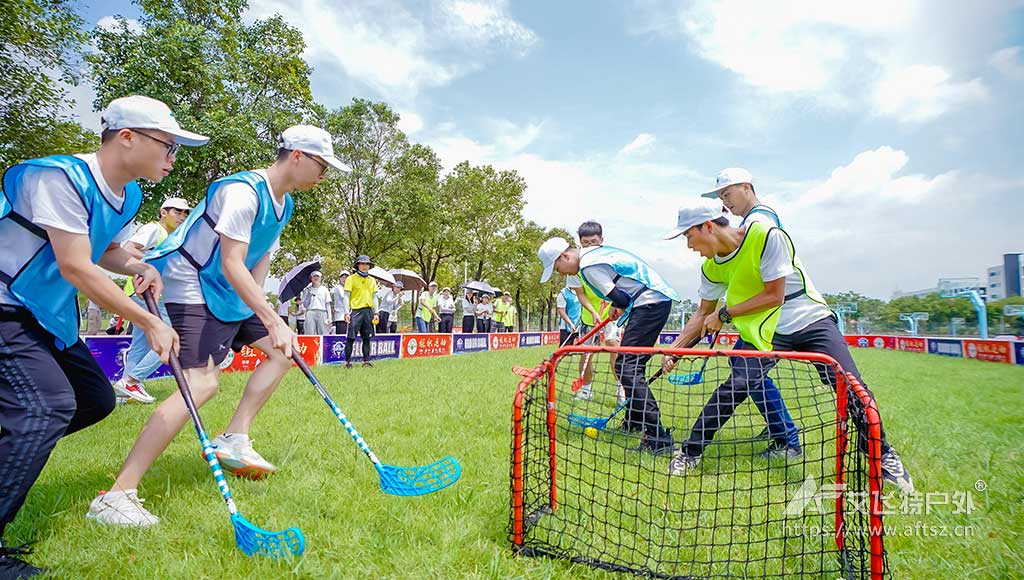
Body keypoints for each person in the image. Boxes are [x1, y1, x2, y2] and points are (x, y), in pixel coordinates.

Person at [89, 124, 348, 528]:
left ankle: (233, 438)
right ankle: (117, 494)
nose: (324, 175)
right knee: (202, 384)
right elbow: (229, 261)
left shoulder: (285, 205)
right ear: (297, 155)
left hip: (226, 289)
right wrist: (269, 317)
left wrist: (261, 313)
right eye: (322, 165)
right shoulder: (242, 192)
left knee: (283, 353)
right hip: (188, 280)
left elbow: (256, 259)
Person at [0, 95, 198, 575]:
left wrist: (139, 265)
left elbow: (104, 250)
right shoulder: (58, 177)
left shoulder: (128, 194)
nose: (172, 158)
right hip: (6, 305)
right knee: (44, 407)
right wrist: (150, 320)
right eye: (167, 146)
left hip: (45, 314)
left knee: (94, 399)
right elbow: (74, 265)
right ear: (126, 137)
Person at [661, 202, 914, 494]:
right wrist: (677, 351)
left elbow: (774, 295)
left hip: (810, 320)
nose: (689, 246)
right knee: (736, 386)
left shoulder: (766, 235)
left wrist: (725, 314)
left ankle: (883, 454)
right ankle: (690, 453)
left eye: (688, 237)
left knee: (852, 386)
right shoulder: (710, 268)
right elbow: (701, 314)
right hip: (767, 331)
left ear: (707, 226)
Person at [538, 236, 680, 455]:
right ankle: (633, 422)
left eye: (558, 267)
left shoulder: (588, 267)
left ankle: (657, 437)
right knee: (632, 366)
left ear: (565, 256)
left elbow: (622, 299)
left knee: (626, 367)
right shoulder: (594, 254)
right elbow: (621, 292)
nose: (561, 273)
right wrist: (617, 304)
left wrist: (618, 304)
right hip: (653, 300)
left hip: (650, 303)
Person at [113, 197, 192, 404]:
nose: (182, 216)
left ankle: (124, 393)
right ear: (163, 212)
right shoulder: (154, 230)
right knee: (173, 339)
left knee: (140, 344)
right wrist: (152, 262)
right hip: (146, 294)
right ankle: (132, 380)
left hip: (149, 294)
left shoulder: (172, 236)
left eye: (185, 213)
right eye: (177, 211)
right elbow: (128, 248)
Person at [572, 221, 624, 404]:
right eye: (585, 243)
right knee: (586, 353)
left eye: (593, 242)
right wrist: (593, 312)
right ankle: (586, 390)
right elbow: (581, 294)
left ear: (602, 240)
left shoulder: (610, 261)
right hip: (589, 317)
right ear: (580, 243)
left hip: (612, 316)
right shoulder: (575, 267)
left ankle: (620, 390)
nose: (589, 246)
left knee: (614, 347)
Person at [344, 255, 378, 368]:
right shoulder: (351, 279)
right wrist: (346, 312)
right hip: (356, 311)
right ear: (358, 265)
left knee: (367, 338)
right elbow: (346, 296)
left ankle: (366, 361)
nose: (365, 266)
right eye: (362, 264)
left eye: (367, 264)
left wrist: (376, 312)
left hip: (368, 311)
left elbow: (375, 297)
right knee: (351, 338)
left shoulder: (372, 280)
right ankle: (348, 362)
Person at [301, 270, 331, 335]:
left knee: (323, 332)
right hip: (310, 312)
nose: (316, 278)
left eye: (318, 276)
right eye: (314, 276)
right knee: (309, 332)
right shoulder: (307, 290)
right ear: (311, 278)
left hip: (322, 312)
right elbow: (305, 305)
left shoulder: (324, 289)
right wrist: (309, 295)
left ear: (320, 278)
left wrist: (329, 318)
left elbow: (327, 304)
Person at [332, 271, 350, 335]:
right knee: (341, 336)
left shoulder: (349, 288)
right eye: (343, 277)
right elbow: (344, 297)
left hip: (348, 316)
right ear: (340, 279)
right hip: (340, 317)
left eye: (346, 277)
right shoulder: (338, 288)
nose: (344, 279)